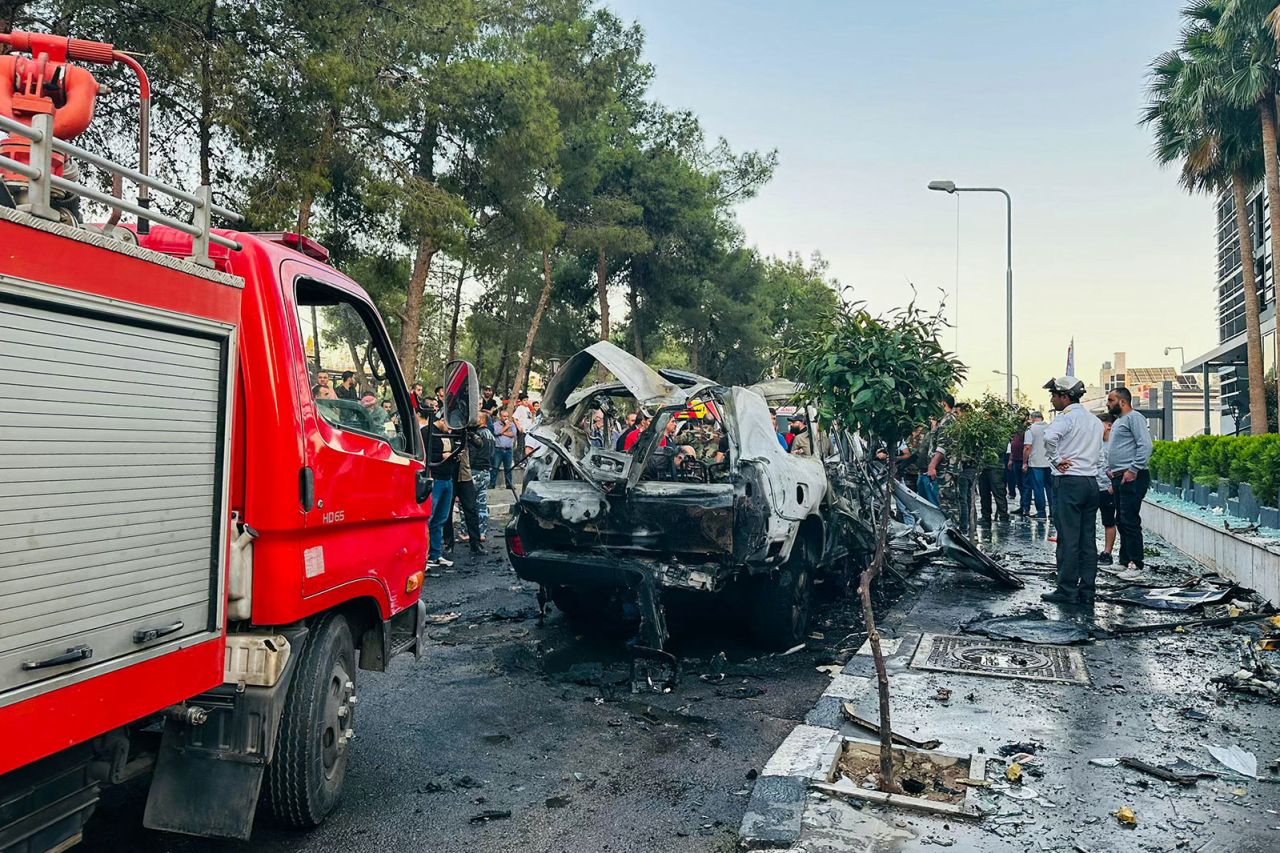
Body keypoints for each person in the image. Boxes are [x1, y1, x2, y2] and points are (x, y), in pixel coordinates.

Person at [1040, 376, 1104, 606]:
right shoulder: (1094, 421)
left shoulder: (1066, 418)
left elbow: (1049, 436)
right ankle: (1087, 590)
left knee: (1068, 539)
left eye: (1054, 396)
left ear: (1064, 396)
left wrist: (1056, 460)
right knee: (1087, 540)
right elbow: (1100, 454)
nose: (1053, 400)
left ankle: (1066, 589)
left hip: (1069, 483)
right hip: (1090, 482)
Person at [1107, 386, 1154, 570]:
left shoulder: (1135, 418)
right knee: (1121, 519)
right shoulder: (1119, 421)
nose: (1108, 404)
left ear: (1123, 402)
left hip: (1133, 477)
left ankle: (1136, 563)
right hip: (1119, 477)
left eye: (1111, 400)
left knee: (1130, 520)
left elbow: (1145, 445)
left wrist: (1133, 469)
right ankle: (1124, 560)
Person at [421, 404, 459, 568]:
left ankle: (435, 554)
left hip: (447, 478)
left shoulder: (447, 433)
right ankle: (424, 555)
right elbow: (425, 454)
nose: (451, 431)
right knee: (430, 517)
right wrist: (444, 455)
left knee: (440, 519)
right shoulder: (427, 432)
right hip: (435, 477)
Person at [451, 426, 483, 554]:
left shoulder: (466, 433)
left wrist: (469, 434)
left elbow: (479, 444)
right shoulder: (445, 433)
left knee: (471, 510)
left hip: (465, 475)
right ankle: (449, 543)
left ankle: (475, 543)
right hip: (450, 474)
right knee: (446, 512)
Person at [922, 395, 957, 506]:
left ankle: (951, 524)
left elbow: (942, 447)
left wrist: (932, 466)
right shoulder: (945, 420)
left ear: (943, 403)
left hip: (945, 469)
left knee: (947, 504)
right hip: (944, 469)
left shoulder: (947, 421)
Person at [1020, 411, 1051, 519]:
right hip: (1050, 463)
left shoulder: (1030, 429)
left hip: (1036, 463)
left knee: (1038, 489)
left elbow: (1027, 447)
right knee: (1050, 489)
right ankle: (1053, 513)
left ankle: (1041, 513)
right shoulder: (1050, 427)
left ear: (1032, 419)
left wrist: (1024, 462)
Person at [1096, 413, 1118, 565]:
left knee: (1109, 521)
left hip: (1108, 489)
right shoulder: (1094, 443)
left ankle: (1107, 553)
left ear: (1109, 425)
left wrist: (1113, 486)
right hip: (1092, 487)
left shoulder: (1116, 445)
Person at [471, 412, 495, 540]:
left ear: (481, 420)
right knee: (482, 504)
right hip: (486, 471)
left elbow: (473, 453)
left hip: (475, 470)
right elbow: (492, 454)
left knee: (469, 503)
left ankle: (467, 531)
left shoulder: (477, 435)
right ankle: (482, 532)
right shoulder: (491, 435)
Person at [491, 409, 516, 489]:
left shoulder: (511, 424)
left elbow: (513, 434)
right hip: (498, 449)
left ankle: (509, 484)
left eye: (507, 416)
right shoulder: (496, 424)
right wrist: (506, 427)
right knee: (495, 467)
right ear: (500, 417)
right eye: (504, 416)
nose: (506, 418)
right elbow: (496, 432)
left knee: (508, 468)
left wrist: (502, 432)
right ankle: (492, 484)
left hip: (508, 449)